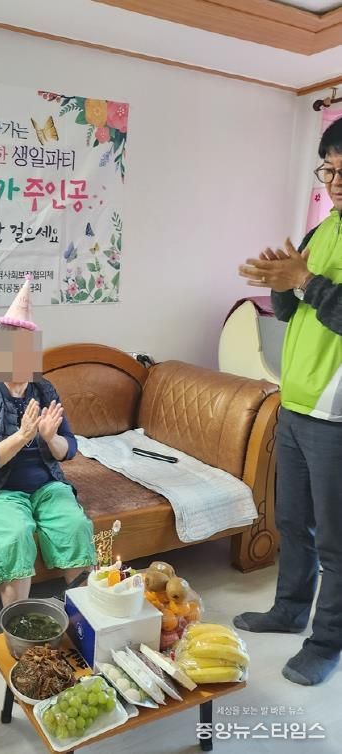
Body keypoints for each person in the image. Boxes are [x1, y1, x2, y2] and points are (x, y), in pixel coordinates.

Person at [236, 117, 342, 686]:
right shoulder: (320, 230)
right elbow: (289, 311)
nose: (336, 182)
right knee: (292, 522)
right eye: (330, 169)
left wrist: (303, 280)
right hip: (296, 404)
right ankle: (289, 609)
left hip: (336, 417)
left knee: (336, 542)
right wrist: (280, 282)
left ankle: (326, 645)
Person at [0, 277, 96, 606]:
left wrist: (50, 438)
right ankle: (20, 622)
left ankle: (84, 617)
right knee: (16, 534)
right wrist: (21, 436)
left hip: (45, 485)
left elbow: (69, 448)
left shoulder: (44, 389)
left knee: (74, 525)